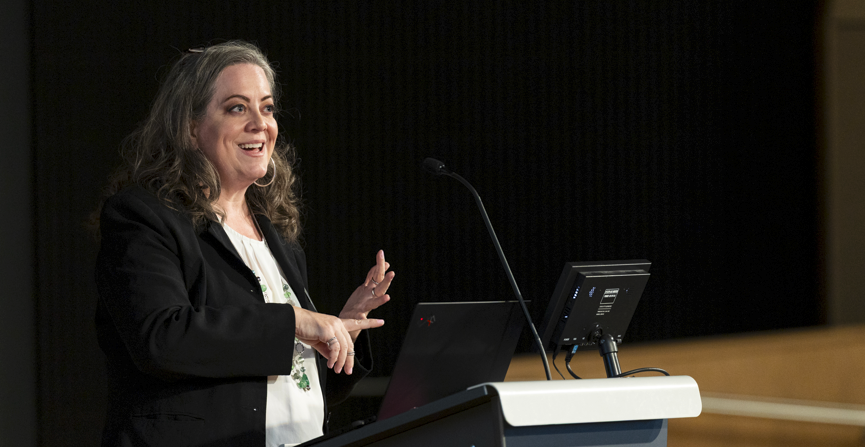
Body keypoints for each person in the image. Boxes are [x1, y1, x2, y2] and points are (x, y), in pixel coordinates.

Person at [94, 41, 394, 447]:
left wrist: (338, 336)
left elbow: (277, 386)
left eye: (267, 108)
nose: (260, 124)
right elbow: (162, 338)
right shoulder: (143, 217)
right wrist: (296, 321)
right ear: (190, 125)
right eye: (237, 108)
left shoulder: (278, 241)